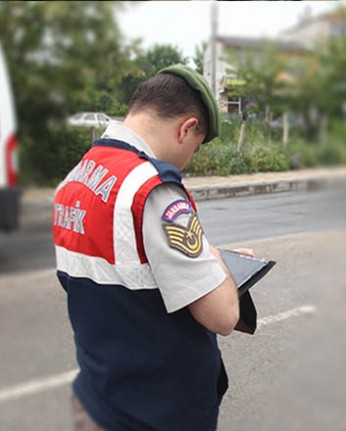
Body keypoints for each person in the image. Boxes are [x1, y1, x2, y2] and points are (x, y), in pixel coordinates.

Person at [52, 64, 250, 430]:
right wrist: (216, 259)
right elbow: (221, 315)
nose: (188, 159)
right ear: (187, 128)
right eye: (195, 146)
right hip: (156, 412)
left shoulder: (74, 179)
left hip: (99, 397)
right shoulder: (151, 188)